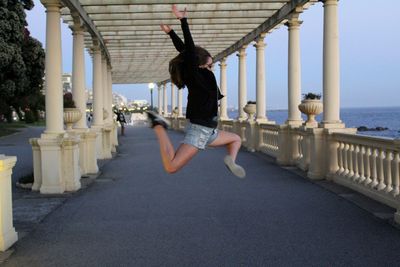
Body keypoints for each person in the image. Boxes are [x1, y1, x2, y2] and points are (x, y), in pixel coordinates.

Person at [146, 4, 245, 178]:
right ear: (199, 65)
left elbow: (185, 51)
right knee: (171, 167)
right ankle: (159, 126)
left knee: (236, 139)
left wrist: (171, 33)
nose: (211, 68)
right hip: (200, 129)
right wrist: (183, 21)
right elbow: (189, 51)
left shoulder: (199, 74)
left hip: (210, 131)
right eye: (209, 65)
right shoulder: (196, 75)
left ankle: (231, 160)